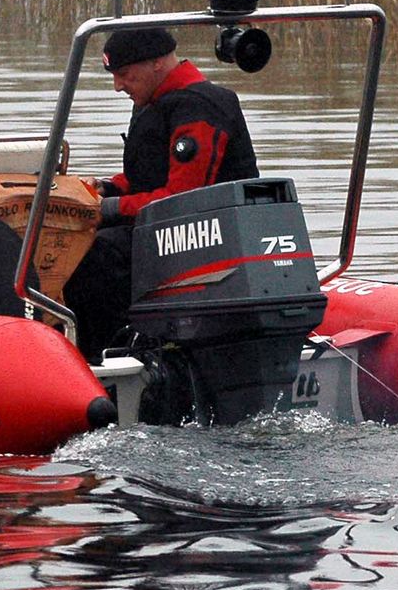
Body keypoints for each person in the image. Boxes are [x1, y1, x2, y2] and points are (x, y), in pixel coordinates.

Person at [65, 26, 260, 355]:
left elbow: (181, 200)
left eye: (124, 75)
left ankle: (104, 355)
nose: (118, 86)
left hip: (206, 234)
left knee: (98, 254)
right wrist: (103, 189)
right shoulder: (156, 102)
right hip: (171, 228)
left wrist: (108, 209)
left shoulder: (199, 107)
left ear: (156, 63)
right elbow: (146, 177)